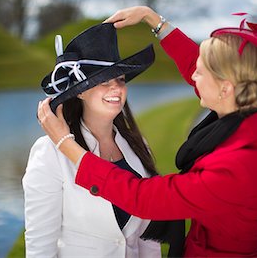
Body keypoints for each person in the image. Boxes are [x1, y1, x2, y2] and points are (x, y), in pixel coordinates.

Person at [36, 6, 257, 257]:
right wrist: (153, 19)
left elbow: (141, 198)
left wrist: (65, 143)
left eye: (200, 72)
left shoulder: (234, 169)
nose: (192, 76)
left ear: (225, 88)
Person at [23, 22, 162, 257]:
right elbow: (40, 244)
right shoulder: (49, 152)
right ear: (80, 91)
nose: (116, 89)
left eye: (120, 79)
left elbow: (148, 238)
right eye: (104, 82)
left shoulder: (138, 146)